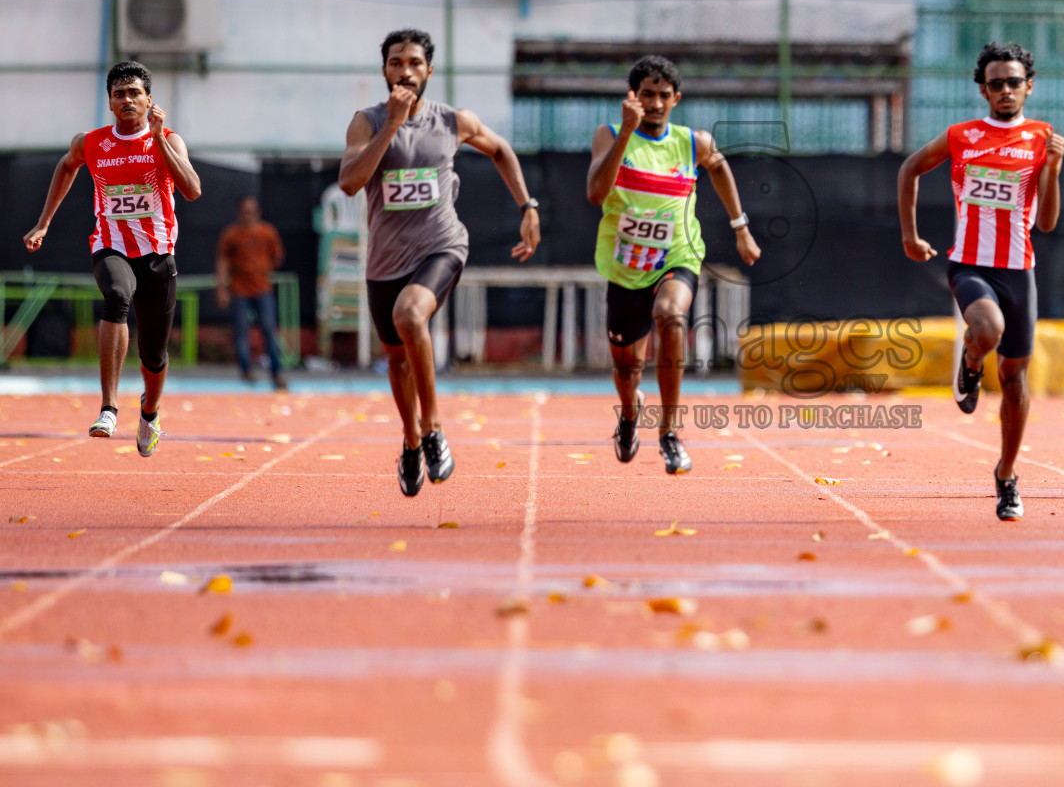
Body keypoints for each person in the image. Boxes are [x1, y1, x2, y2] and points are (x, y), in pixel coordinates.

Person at [338, 29, 540, 497]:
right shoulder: (366, 123)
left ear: (429, 70)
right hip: (385, 260)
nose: (404, 71)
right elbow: (350, 182)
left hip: (441, 246)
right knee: (396, 359)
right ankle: (410, 438)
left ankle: (432, 429)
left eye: (413, 62)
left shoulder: (453, 121)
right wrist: (392, 124)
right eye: (395, 62)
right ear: (384, 69)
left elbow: (502, 150)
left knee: (410, 315)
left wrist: (528, 207)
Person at [897, 42, 1064, 521]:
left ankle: (1007, 476)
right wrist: (910, 236)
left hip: (1020, 269)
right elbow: (910, 169)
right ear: (983, 90)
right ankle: (971, 364)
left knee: (1014, 379)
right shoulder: (961, 136)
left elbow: (1048, 222)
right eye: (997, 83)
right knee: (986, 329)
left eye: (1014, 82)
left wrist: (1053, 168)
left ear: (1028, 87)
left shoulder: (1042, 137)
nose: (1006, 90)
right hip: (969, 264)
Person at [588, 55, 760, 475]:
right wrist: (626, 132)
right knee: (627, 369)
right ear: (633, 97)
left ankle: (668, 432)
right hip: (626, 265)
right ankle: (630, 413)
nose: (656, 102)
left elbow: (719, 167)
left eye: (664, 95)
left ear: (676, 99)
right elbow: (595, 193)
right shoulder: (609, 135)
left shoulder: (692, 143)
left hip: (677, 255)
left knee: (670, 315)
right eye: (647, 94)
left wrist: (740, 227)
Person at [23, 61, 202, 455]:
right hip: (111, 245)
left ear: (149, 100)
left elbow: (192, 190)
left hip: (157, 253)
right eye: (119, 94)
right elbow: (67, 166)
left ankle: (149, 413)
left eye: (134, 93)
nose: (126, 100)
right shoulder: (91, 143)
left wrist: (158, 140)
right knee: (117, 295)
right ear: (109, 102)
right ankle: (108, 407)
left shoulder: (169, 139)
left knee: (154, 355)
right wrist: (44, 223)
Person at [217, 196, 288, 389]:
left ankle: (276, 372)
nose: (249, 216)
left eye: (252, 211)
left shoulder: (267, 232)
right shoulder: (232, 234)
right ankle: (246, 369)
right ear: (238, 213)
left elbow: (277, 256)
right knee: (242, 331)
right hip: (240, 289)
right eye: (245, 212)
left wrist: (262, 269)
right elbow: (223, 261)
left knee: (268, 328)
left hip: (262, 288)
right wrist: (222, 288)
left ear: (258, 212)